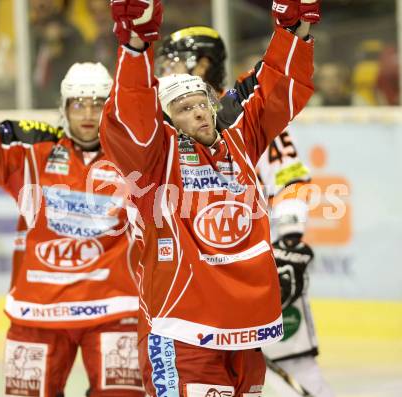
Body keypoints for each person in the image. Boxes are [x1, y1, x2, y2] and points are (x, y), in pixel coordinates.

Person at [100, 0, 319, 395]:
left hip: (245, 332)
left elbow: (278, 92)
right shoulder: (154, 160)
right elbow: (131, 122)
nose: (201, 113)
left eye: (203, 104)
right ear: (165, 121)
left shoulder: (238, 138)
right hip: (184, 331)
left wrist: (295, 30)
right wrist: (135, 48)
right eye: (185, 109)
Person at [157, 23, 335, 397]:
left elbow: (291, 182)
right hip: (204, 287)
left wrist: (287, 245)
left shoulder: (245, 110)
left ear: (202, 64)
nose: (164, 69)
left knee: (297, 365)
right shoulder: (168, 125)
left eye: (172, 60)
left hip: (264, 271)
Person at [0, 46, 144, 397]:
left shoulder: (136, 157)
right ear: (64, 108)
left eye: (98, 104)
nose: (88, 114)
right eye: (79, 104)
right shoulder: (32, 153)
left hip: (114, 308)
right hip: (37, 313)